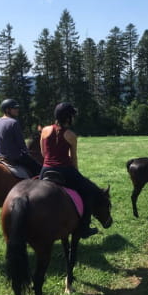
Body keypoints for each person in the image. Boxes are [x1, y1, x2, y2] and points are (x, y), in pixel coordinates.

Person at [39, 102, 101, 239]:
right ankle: (84, 228)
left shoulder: (44, 130)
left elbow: (43, 153)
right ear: (68, 118)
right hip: (65, 171)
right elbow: (73, 158)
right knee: (89, 192)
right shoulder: (71, 135)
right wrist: (77, 174)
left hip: (45, 170)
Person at [0, 99, 42, 177]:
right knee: (39, 169)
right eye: (14, 108)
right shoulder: (13, 122)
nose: (17, 110)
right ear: (7, 110)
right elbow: (21, 144)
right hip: (15, 157)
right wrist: (28, 153)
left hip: (1, 156)